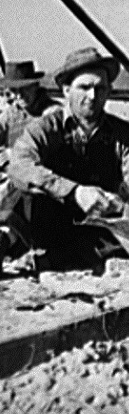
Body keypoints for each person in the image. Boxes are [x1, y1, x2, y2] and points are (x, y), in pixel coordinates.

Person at [8, 47, 129, 269]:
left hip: (98, 225)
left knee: (126, 239)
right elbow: (20, 164)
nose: (92, 96)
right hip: (50, 219)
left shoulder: (124, 135)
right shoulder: (45, 128)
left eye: (100, 87)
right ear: (66, 90)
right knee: (19, 199)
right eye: (84, 87)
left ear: (109, 91)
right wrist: (74, 192)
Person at [0, 61, 58, 264]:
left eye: (23, 90)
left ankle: (10, 240)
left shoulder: (51, 114)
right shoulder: (12, 113)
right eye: (13, 92)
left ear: (35, 86)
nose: (18, 97)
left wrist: (12, 156)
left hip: (43, 179)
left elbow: (47, 153)